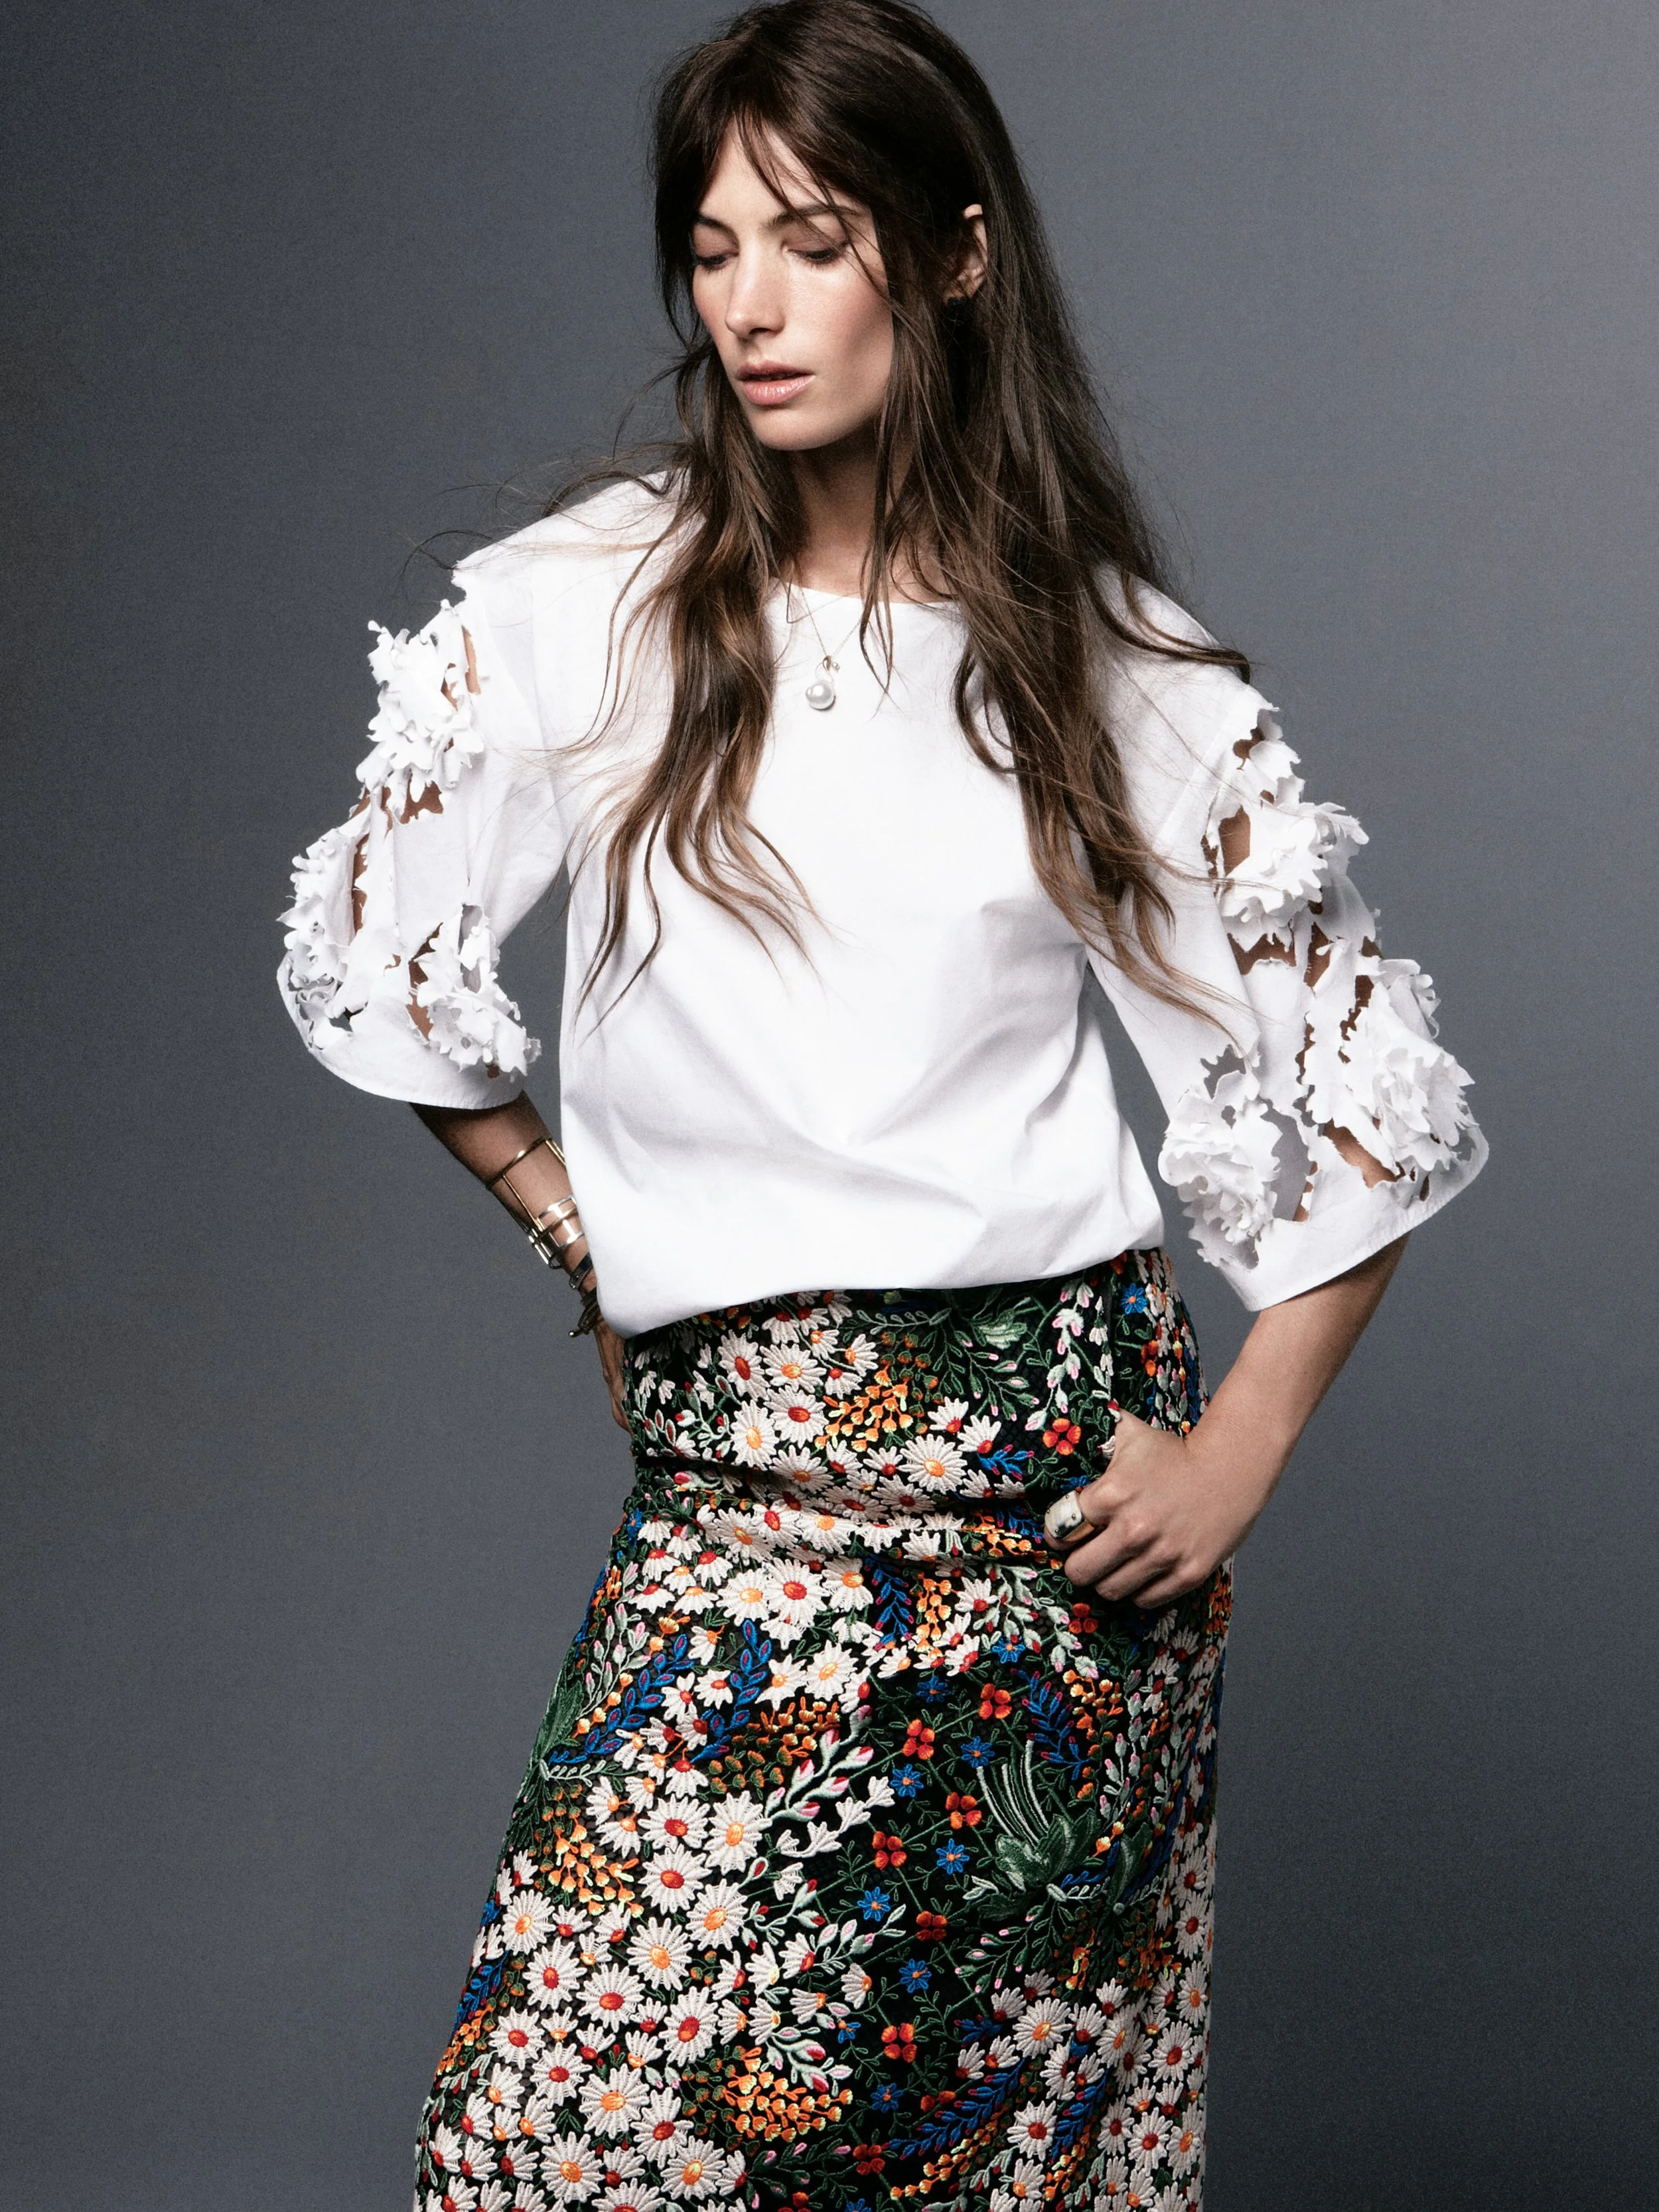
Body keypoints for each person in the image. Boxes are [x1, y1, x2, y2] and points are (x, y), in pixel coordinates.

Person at [277, 3, 1486, 2205]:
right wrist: (585, 1226)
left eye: (807, 239)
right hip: (732, 1501)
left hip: (1051, 1541)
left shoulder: (1093, 651)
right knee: (549, 2142)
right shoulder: (591, 609)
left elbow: (1357, 1096)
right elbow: (379, 956)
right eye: (713, 245)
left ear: (945, 257)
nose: (744, 301)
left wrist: (1240, 1451)